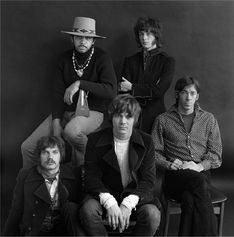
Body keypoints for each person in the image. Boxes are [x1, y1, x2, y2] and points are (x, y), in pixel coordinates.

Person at [21, 17, 117, 168]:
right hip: (65, 112)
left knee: (72, 131)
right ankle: (29, 187)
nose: (83, 41)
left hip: (92, 112)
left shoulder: (102, 58)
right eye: (79, 37)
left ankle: (92, 167)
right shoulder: (64, 59)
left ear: (94, 41)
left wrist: (80, 84)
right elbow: (58, 95)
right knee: (27, 148)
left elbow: (111, 91)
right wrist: (56, 123)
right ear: (72, 39)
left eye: (88, 38)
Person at [79, 94, 161, 236]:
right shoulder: (94, 139)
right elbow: (91, 178)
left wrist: (127, 204)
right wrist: (109, 202)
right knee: (88, 211)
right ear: (112, 118)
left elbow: (148, 180)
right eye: (119, 116)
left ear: (135, 119)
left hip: (135, 197)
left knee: (152, 215)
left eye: (128, 117)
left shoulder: (147, 141)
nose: (123, 121)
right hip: (104, 194)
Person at [151, 76, 222, 236]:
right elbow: (153, 153)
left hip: (200, 172)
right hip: (176, 175)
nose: (188, 97)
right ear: (177, 94)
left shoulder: (208, 120)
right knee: (198, 183)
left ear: (197, 96)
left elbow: (216, 155)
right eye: (184, 92)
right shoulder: (163, 120)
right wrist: (169, 164)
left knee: (190, 200)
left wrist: (198, 166)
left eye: (192, 93)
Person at [3, 136, 85, 236]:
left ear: (61, 155)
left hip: (64, 231)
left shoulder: (74, 174)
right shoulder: (26, 176)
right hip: (37, 232)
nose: (50, 157)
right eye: (45, 152)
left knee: (72, 208)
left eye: (55, 152)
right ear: (39, 156)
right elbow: (16, 211)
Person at [120, 16, 175, 133]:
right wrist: (149, 89)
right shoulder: (130, 61)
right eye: (141, 34)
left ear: (156, 35)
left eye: (149, 34)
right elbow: (123, 92)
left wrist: (132, 87)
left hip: (156, 116)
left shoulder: (167, 61)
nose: (144, 38)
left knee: (153, 149)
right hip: (131, 114)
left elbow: (159, 91)